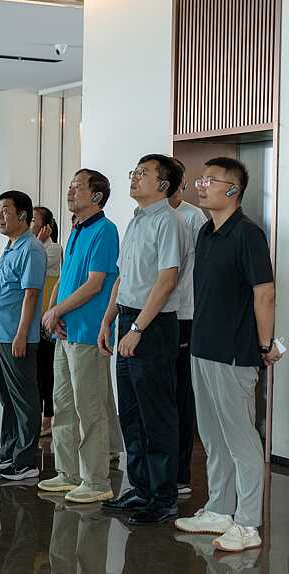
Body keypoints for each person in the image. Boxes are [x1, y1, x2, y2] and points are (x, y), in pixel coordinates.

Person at [174, 157, 283, 552]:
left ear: (233, 190)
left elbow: (264, 292)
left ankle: (248, 523)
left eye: (211, 180)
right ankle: (220, 509)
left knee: (241, 440)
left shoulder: (248, 234)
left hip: (234, 353)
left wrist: (265, 345)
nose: (201, 185)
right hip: (203, 347)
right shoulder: (207, 232)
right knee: (213, 436)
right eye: (201, 179)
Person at [98, 154, 188, 524]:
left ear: (163, 185)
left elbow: (167, 280)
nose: (134, 177)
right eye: (134, 171)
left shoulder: (169, 222)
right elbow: (122, 277)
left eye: (143, 173)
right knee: (132, 412)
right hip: (129, 319)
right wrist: (109, 320)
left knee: (156, 414)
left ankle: (164, 497)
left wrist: (137, 329)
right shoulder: (135, 221)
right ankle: (141, 488)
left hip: (154, 325)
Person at [38, 169, 120, 504]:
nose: (70, 191)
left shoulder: (105, 230)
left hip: (88, 332)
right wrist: (54, 308)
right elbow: (65, 277)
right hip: (66, 331)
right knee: (63, 405)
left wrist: (57, 310)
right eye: (70, 185)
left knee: (90, 408)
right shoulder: (76, 229)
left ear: (97, 196)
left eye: (77, 186)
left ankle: (96, 480)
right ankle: (68, 472)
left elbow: (95, 283)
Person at [0, 190, 46, 481]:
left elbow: (31, 294)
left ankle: (26, 460)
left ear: (22, 215)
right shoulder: (11, 247)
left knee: (24, 399)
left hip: (15, 337)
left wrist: (21, 334)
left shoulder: (31, 248)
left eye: (5, 210)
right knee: (6, 398)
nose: (0, 216)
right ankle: (7, 451)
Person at [168, 158, 208, 496]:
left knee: (180, 396)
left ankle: (180, 474)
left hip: (184, 315)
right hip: (153, 316)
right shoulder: (146, 217)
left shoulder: (193, 217)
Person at [31, 206, 62, 437]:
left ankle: (48, 417)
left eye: (34, 219)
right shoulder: (30, 245)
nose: (30, 223)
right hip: (32, 315)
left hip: (46, 316)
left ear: (46, 227)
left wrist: (38, 242)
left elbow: (34, 266)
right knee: (35, 371)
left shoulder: (53, 248)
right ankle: (39, 414)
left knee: (46, 370)